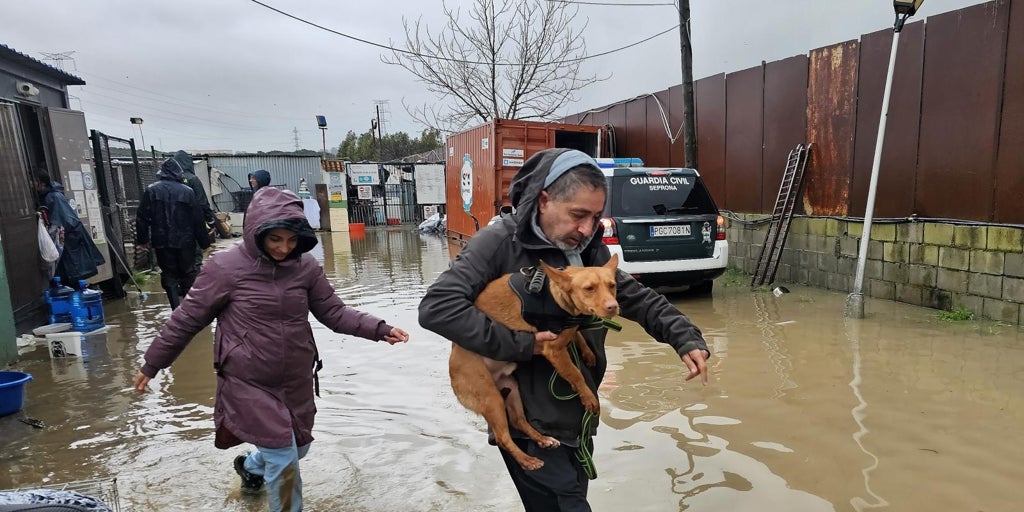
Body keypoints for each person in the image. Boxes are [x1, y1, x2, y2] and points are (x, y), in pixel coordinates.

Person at [418, 148, 710, 512]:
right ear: (544, 200)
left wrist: (685, 338)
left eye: (596, 217)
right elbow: (437, 307)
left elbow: (636, 297)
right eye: (578, 215)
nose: (587, 228)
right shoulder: (499, 243)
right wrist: (523, 344)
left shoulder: (586, 249)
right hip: (530, 420)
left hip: (576, 417)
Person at [133, 187, 410, 512]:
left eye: (292, 240)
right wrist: (152, 364)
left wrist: (379, 329)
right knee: (283, 457)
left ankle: (250, 467)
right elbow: (186, 320)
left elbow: (334, 313)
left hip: (295, 380)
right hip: (248, 381)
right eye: (275, 239)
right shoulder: (224, 268)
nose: (284, 247)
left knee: (298, 449)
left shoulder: (305, 267)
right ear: (256, 231)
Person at [136, 158, 211, 309]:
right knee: (188, 272)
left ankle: (175, 309)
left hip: (162, 241)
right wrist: (204, 243)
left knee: (169, 274)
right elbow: (197, 219)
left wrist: (143, 240)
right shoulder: (187, 192)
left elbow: (142, 217)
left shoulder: (151, 190)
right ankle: (189, 309)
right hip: (186, 242)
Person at [34, 170, 106, 285]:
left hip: (69, 240)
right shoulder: (52, 195)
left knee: (71, 277)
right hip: (69, 240)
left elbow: (60, 222)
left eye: (33, 180)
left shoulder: (52, 197)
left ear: (41, 183)